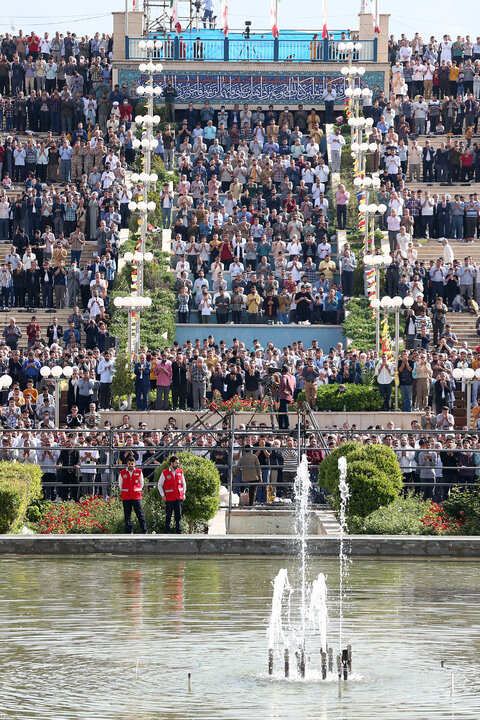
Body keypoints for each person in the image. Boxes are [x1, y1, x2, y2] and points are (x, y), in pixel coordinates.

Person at [118, 453, 147, 534]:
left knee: (140, 514)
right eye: (129, 464)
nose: (131, 465)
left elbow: (142, 484)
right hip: (126, 497)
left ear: (135, 464)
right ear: (127, 464)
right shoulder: (122, 473)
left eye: (132, 464)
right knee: (127, 515)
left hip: (136, 496)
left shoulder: (139, 472)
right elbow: (120, 484)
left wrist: (136, 491)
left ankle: (144, 531)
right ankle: (129, 532)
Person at [157, 455, 186, 534]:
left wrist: (184, 494)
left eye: (178, 463)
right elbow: (159, 484)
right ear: (171, 463)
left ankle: (179, 532)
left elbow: (183, 483)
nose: (177, 464)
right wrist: (162, 495)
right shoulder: (165, 472)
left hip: (178, 497)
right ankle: (166, 532)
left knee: (178, 516)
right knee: (168, 516)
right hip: (169, 498)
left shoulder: (180, 471)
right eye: (176, 463)